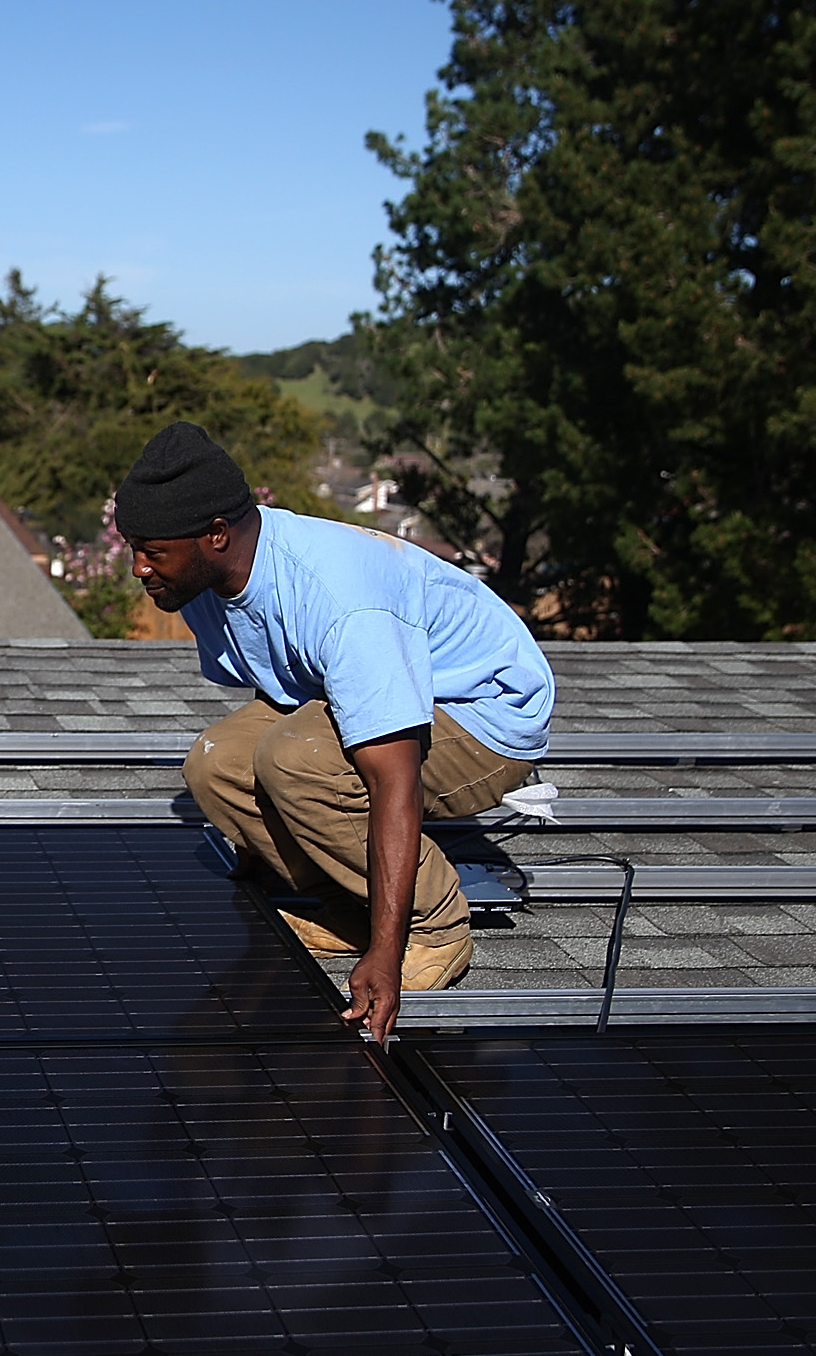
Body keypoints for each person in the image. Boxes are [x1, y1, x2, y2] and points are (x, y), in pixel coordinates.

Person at [116, 422, 553, 1041]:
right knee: (216, 764)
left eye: (152, 552)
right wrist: (262, 833)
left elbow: (393, 778)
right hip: (369, 692)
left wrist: (386, 953)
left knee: (296, 761)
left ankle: (433, 927)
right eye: (133, 547)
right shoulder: (204, 579)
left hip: (479, 712)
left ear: (216, 535)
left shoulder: (342, 599)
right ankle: (349, 908)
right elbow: (282, 686)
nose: (138, 568)